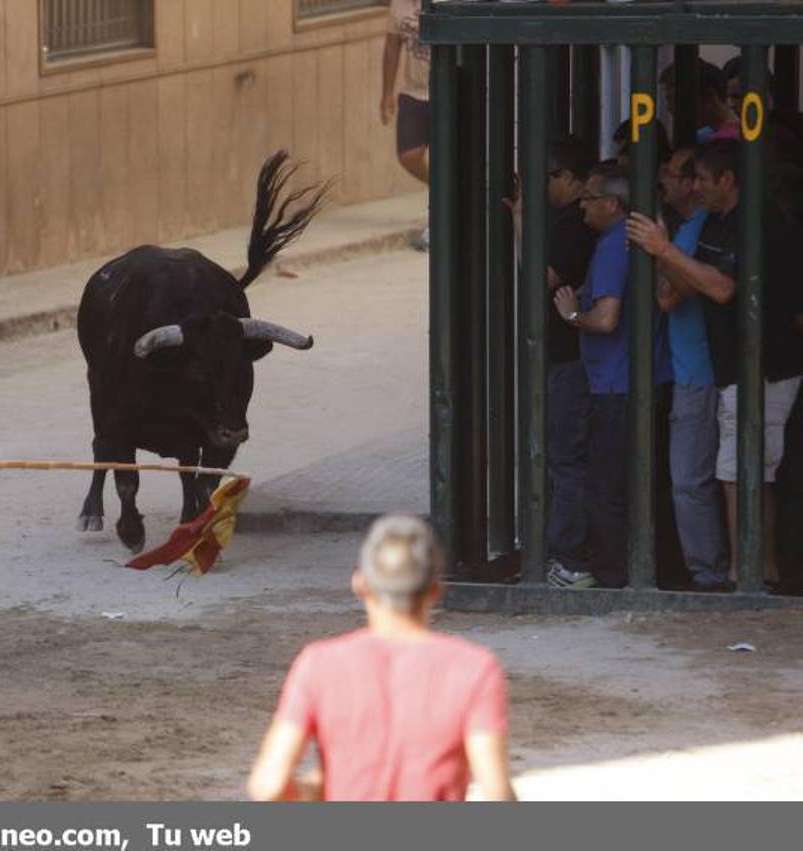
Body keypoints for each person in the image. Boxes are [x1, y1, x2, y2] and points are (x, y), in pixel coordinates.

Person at [628, 139, 803, 586]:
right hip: (735, 369)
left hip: (765, 366)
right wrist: (672, 261)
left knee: (741, 469)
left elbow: (724, 289)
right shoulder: (717, 224)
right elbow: (673, 296)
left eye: (703, 179)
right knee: (745, 469)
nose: (696, 188)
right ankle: (753, 569)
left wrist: (663, 251)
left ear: (728, 180)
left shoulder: (757, 221)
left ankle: (744, 572)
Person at [246, 515, 515, 802]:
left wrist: (319, 789)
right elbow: (497, 794)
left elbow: (268, 785)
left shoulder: (319, 664)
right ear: (436, 590)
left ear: (360, 584)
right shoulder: (473, 668)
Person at [550, 165, 674, 588]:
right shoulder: (636, 240)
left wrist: (570, 315)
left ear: (613, 204)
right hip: (648, 377)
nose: (581, 205)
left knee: (606, 487)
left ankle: (612, 575)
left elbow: (605, 320)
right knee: (641, 480)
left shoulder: (609, 246)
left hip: (616, 384)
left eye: (589, 196)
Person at [506, 137, 599, 586]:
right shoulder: (569, 222)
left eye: (550, 175)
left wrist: (523, 221)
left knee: (565, 458)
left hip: (570, 356)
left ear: (572, 179)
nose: (544, 184)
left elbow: (539, 278)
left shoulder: (575, 226)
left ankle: (572, 560)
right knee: (561, 456)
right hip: (568, 356)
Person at [655, 147, 730, 591]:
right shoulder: (692, 227)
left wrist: (659, 251)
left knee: (690, 479)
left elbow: (666, 296)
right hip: (693, 368)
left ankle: (709, 576)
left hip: (697, 373)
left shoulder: (695, 228)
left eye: (674, 173)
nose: (664, 178)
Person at [380, 0, 430, 250]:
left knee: (446, 157)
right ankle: (443, 188)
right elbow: (392, 46)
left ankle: (438, 219)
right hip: (413, 92)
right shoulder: (400, 4)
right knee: (409, 155)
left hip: (445, 88)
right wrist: (387, 93)